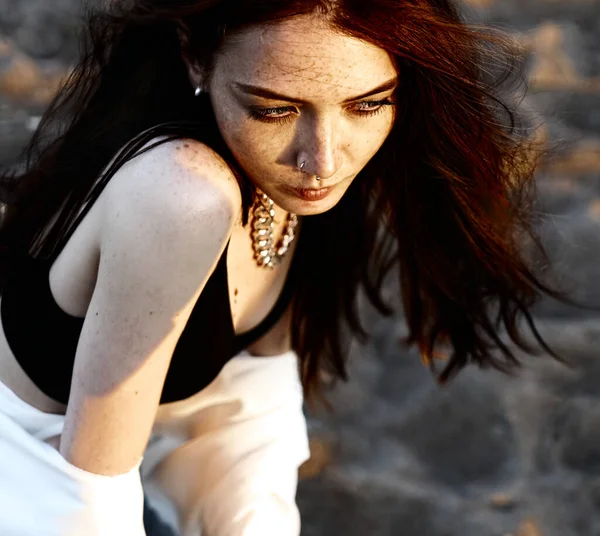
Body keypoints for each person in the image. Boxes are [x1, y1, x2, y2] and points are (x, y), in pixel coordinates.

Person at [0, 0, 564, 534]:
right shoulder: (180, 194)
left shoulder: (294, 175)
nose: (321, 159)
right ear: (196, 57)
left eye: (367, 104)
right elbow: (86, 497)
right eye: (274, 109)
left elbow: (249, 397)